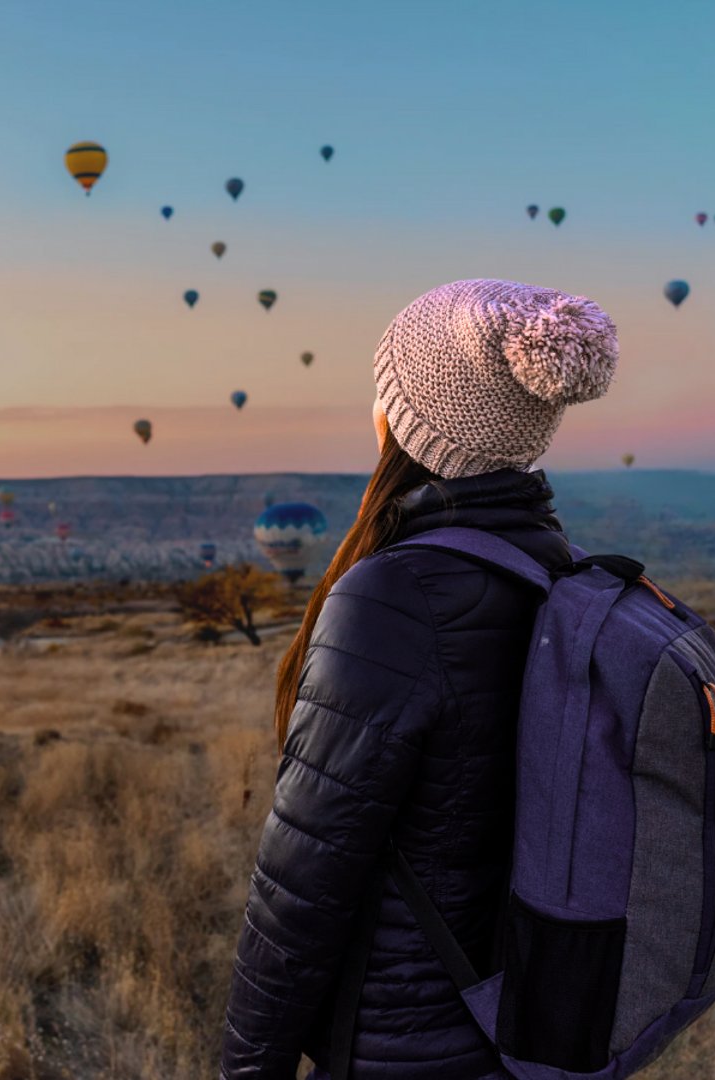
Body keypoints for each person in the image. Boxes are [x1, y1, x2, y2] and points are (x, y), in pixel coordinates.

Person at [220, 279, 620, 1079]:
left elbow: (302, 883)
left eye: (384, 389)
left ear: (407, 422)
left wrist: (248, 1068)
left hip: (403, 1045)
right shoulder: (563, 576)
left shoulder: (393, 597)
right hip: (534, 1033)